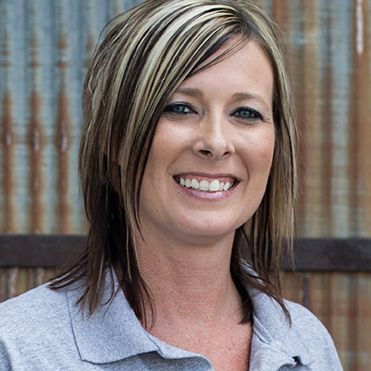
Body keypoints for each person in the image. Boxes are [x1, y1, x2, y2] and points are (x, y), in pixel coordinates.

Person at [0, 0, 343, 370]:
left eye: (245, 113)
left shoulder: (307, 345)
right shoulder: (18, 349)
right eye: (180, 107)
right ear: (114, 137)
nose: (215, 141)